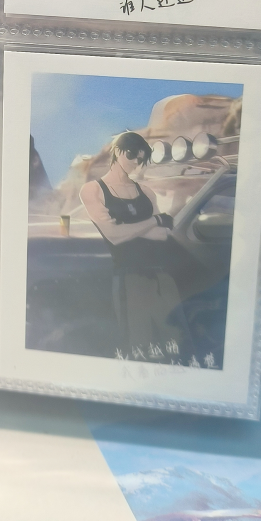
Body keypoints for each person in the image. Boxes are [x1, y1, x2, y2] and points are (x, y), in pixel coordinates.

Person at [79, 131, 190, 361]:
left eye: (140, 159)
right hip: (130, 278)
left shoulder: (145, 191)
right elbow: (114, 236)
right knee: (138, 345)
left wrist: (132, 228)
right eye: (131, 155)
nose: (135, 162)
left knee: (178, 341)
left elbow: (161, 234)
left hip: (162, 276)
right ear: (118, 151)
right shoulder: (93, 190)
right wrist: (154, 221)